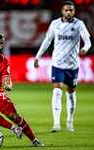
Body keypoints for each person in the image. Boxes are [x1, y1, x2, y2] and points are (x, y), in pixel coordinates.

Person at [34, 1, 91, 132]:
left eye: (71, 10)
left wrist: (84, 49)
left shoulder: (79, 24)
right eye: (66, 10)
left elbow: (87, 41)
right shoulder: (55, 24)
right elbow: (47, 40)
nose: (69, 12)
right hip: (57, 64)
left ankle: (70, 120)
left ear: (74, 12)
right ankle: (56, 123)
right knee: (57, 91)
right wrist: (38, 56)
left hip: (72, 65)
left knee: (70, 94)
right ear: (62, 11)